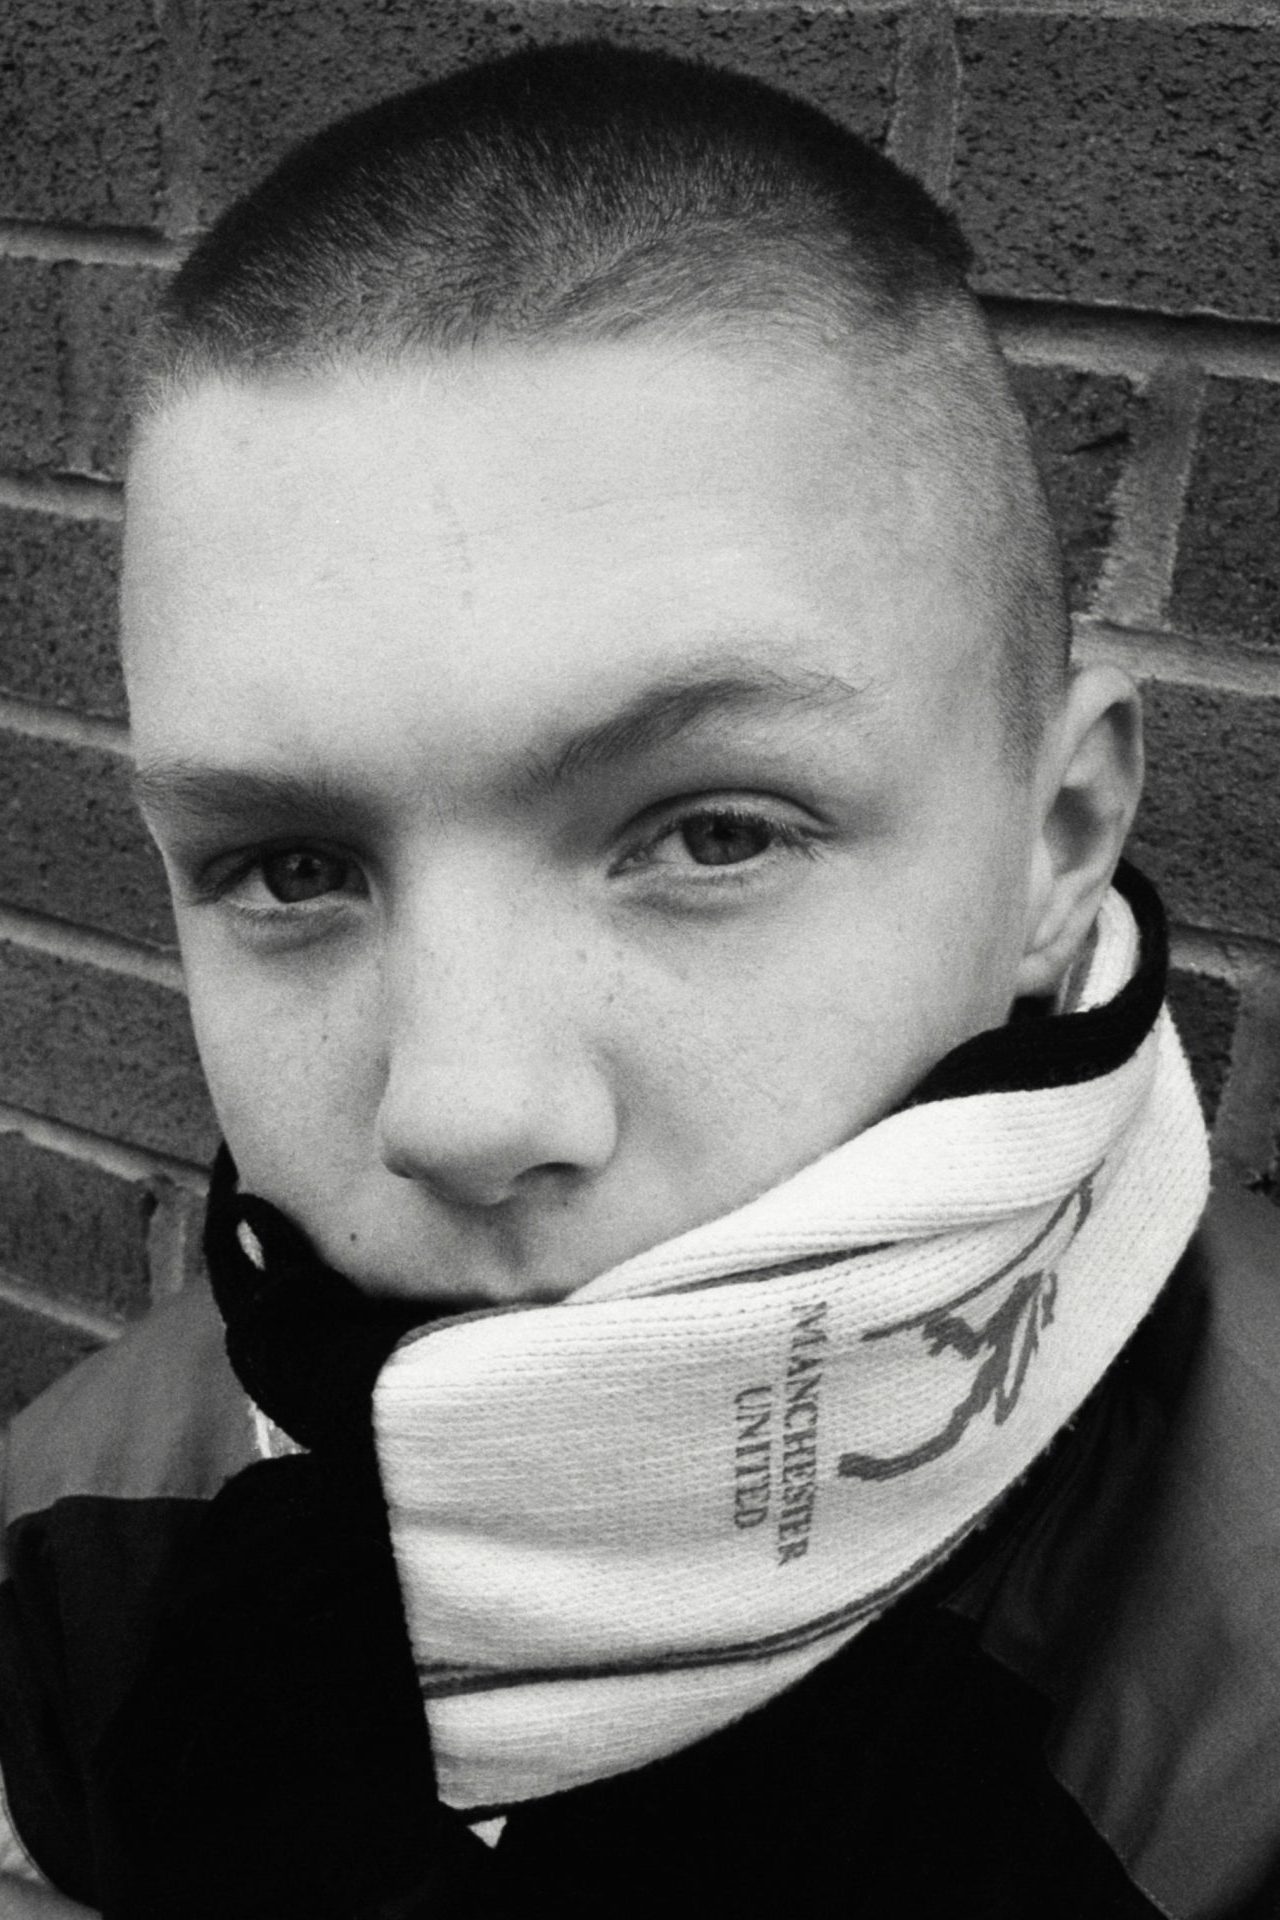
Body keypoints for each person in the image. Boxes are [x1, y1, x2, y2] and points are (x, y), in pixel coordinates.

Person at [1, 40, 1277, 1920]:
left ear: (1058, 840)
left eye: (713, 832)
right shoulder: (76, 1538)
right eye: (291, 869)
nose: (462, 1109)